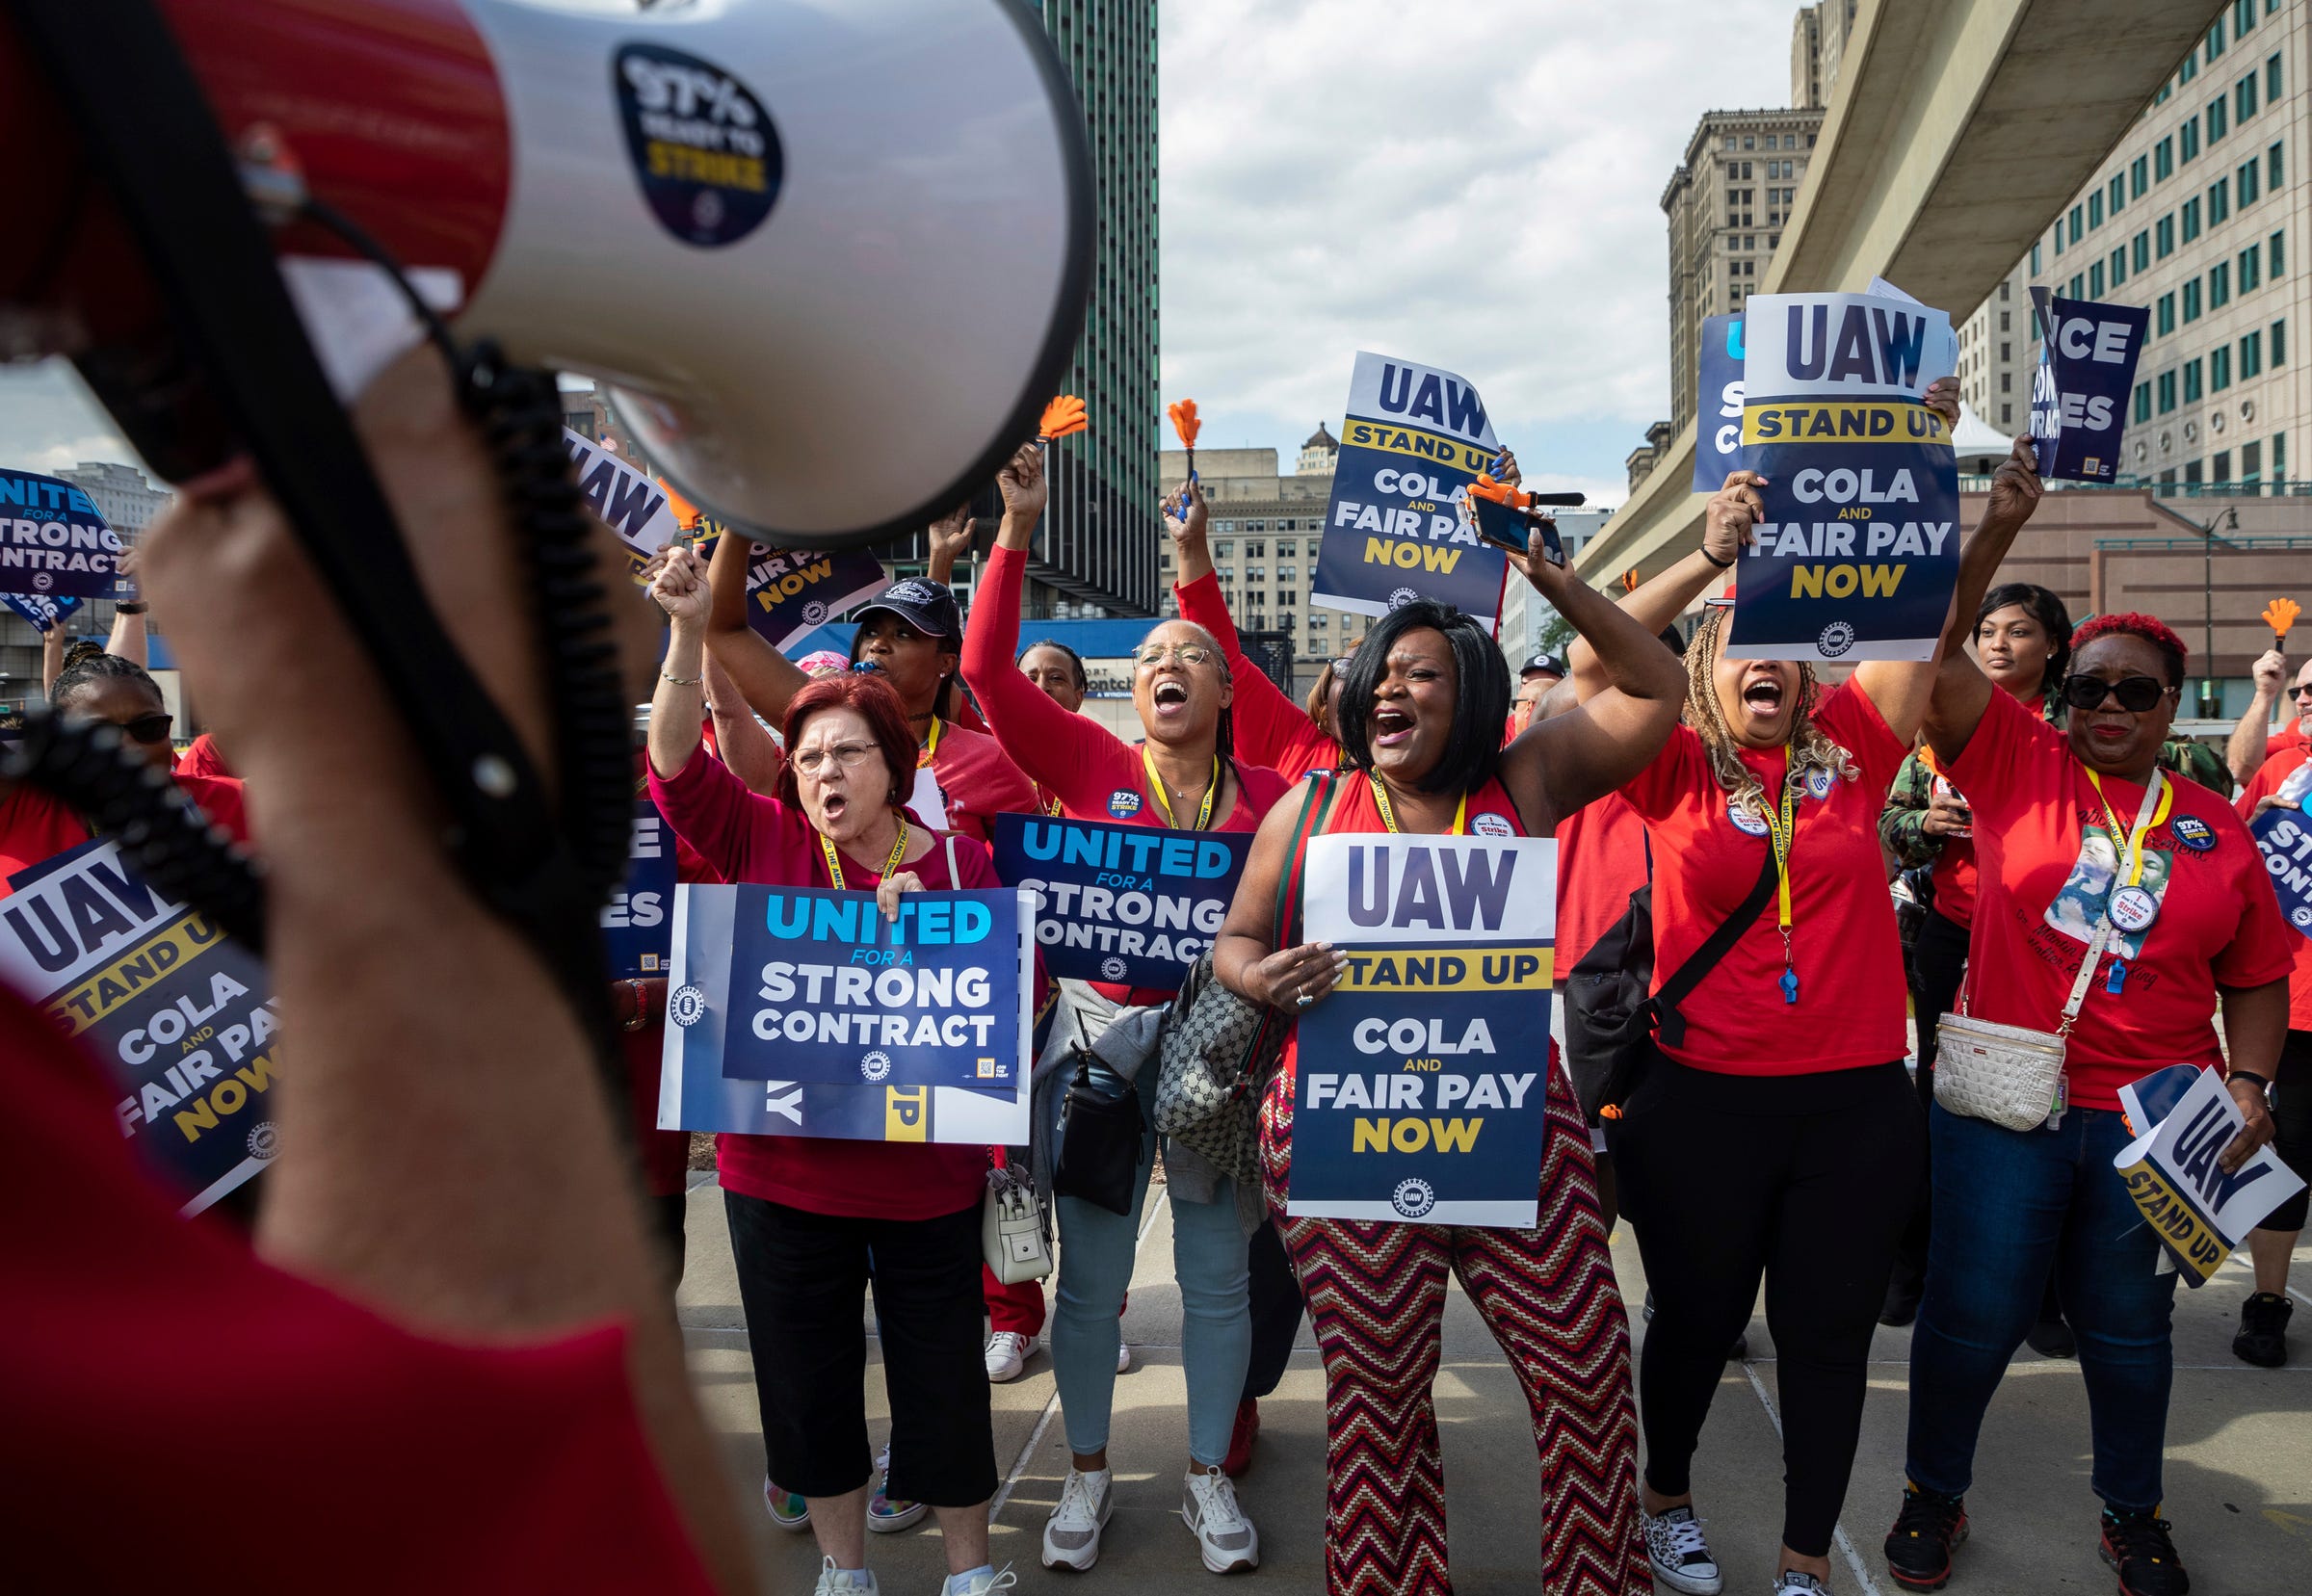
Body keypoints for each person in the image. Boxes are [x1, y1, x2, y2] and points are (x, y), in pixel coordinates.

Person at [3, 346, 750, 1592]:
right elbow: (579, 1522)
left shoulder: (226, 804)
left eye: (150, 733)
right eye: (106, 742)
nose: (138, 757)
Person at [1214, 522, 1686, 1596]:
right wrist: (1261, 976)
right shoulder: (1314, 805)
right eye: (1379, 672)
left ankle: (1597, 1581)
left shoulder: (1524, 782)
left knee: (1587, 1373)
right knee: (1377, 1402)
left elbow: (1656, 690)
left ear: (1467, 690)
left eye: (1419, 673)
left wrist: (1555, 579)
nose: (1389, 687)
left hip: (1511, 1129)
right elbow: (1232, 942)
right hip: (1350, 1135)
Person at [1598, 442, 2014, 1596]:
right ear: (1703, 674)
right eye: (1741, 645)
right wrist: (1706, 556)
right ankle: (1669, 1498)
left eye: (1788, 645)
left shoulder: (1857, 759)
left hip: (1855, 1108)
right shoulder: (1668, 768)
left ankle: (1800, 1561)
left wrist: (1930, 474)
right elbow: (1595, 656)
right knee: (1692, 1320)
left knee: (1829, 1339)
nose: (1766, 660)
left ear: (1813, 677)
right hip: (1700, 1106)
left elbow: (1921, 627)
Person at [1881, 460, 2292, 1593]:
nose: (2109, 709)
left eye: (2137, 693)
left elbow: (2257, 973)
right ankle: (1933, 1493)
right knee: (1972, 1318)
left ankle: (2134, 1511)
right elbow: (1935, 641)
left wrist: (2251, 1083)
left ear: (2173, 702)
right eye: (2091, 690)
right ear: (2062, 698)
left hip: (2154, 1123)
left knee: (2128, 1330)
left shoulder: (2215, 825)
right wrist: (2002, 523)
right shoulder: (2017, 761)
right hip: (2007, 1104)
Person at [647, 545, 1009, 1596]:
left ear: (893, 766)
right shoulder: (758, 839)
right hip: (780, 1180)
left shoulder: (958, 866)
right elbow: (675, 763)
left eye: (848, 754)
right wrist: (681, 632)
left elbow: (1003, 1003)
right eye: (808, 758)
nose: (825, 775)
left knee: (942, 1381)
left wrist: (935, 936)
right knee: (808, 1388)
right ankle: (844, 1574)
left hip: (923, 1185)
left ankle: (969, 1572)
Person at [960, 451, 1283, 1575]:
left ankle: (1206, 1479)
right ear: (1130, 692)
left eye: (1189, 654)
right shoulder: (1089, 758)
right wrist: (1017, 528)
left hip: (1216, 1066)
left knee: (1214, 1277)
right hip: (1101, 1051)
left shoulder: (1274, 799)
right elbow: (988, 678)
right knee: (1092, 1286)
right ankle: (1089, 1475)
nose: (1167, 665)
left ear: (1227, 686)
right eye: (1148, 658)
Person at [1878, 577, 2229, 1339]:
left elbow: (2205, 817)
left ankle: (2045, 1297)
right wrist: (1926, 824)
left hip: (2095, 968)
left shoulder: (2122, 746)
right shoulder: (1965, 731)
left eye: (2020, 631)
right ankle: (1921, 1267)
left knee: (2063, 1143)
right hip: (1964, 940)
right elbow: (1887, 822)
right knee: (1962, 1106)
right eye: (1989, 630)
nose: (2000, 643)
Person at [701, 518, 1038, 845]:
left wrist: (957, 864)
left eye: (903, 634)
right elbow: (723, 628)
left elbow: (1036, 877)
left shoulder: (988, 761)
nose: (878, 644)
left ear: (947, 663)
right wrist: (739, 516)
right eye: (872, 632)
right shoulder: (823, 719)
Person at [2233, 735, 2312, 1367]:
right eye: (2307, 690)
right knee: (2290, 1150)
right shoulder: (2285, 769)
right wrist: (2251, 829)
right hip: (2299, 1002)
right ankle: (2267, 1300)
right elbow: (2231, 856)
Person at [2226, 649, 2312, 787]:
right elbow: (2241, 769)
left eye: (2311, 689)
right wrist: (2265, 693)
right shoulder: (2291, 745)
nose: (2300, 700)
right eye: (2295, 693)